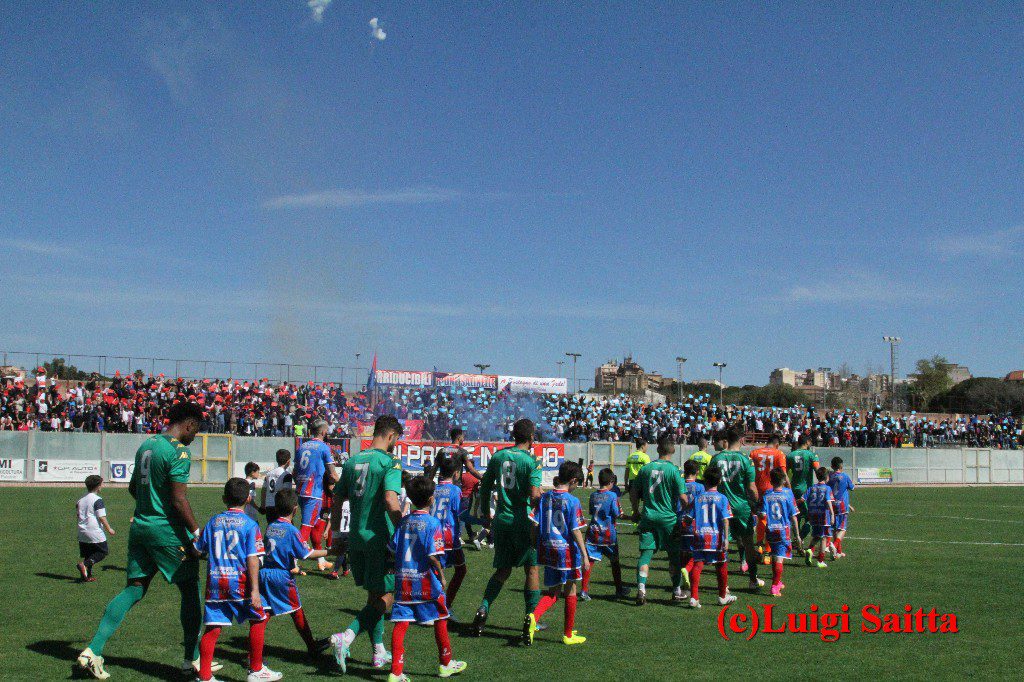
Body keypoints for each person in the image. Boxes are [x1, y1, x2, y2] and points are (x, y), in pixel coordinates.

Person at [78, 402, 211, 681]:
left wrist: (151, 509)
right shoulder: (179, 450)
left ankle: (93, 650)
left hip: (140, 527)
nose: (195, 436)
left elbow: (132, 488)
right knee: (190, 589)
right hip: (167, 532)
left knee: (134, 589)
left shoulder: (146, 445)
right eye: (196, 430)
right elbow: (178, 498)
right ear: (188, 424)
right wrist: (197, 533)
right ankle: (192, 660)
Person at [330, 415, 404, 673]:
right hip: (380, 538)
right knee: (389, 595)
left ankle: (378, 651)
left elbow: (337, 499)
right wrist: (404, 529)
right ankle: (347, 636)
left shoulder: (352, 461)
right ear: (392, 435)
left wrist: (339, 535)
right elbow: (390, 499)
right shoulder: (389, 461)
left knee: (374, 594)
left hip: (356, 538)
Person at [194, 478, 279, 682]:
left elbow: (198, 550)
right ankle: (256, 670)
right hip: (239, 582)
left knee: (213, 626)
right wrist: (255, 591)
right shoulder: (250, 525)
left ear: (224, 498)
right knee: (259, 618)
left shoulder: (213, 521)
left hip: (215, 581)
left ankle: (204, 677)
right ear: (249, 499)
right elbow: (252, 558)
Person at [469, 418, 543, 642]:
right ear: (531, 438)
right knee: (531, 569)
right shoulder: (532, 460)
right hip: (522, 522)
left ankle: (483, 608)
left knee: (503, 570)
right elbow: (535, 494)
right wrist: (538, 511)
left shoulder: (498, 456)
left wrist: (486, 516)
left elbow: (485, 488)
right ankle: (531, 618)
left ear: (513, 436)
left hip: (501, 520)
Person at [388, 475, 468, 682]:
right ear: (431, 499)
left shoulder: (404, 521)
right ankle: (445, 663)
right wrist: (441, 576)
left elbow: (392, 549)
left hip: (404, 580)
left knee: (401, 623)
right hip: (426, 581)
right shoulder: (433, 523)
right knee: (441, 616)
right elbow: (433, 555)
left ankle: (395, 672)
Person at [260, 490, 331, 660]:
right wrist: (330, 551)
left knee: (265, 612)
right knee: (296, 610)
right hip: (281, 577)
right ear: (295, 509)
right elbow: (305, 554)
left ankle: (254, 649)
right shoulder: (291, 530)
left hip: (265, 574)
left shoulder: (271, 527)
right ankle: (312, 646)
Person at [525, 461, 589, 646]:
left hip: (548, 549)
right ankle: (568, 634)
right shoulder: (572, 500)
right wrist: (584, 555)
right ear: (574, 480)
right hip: (566, 552)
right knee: (571, 589)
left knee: (553, 592)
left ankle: (533, 616)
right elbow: (576, 530)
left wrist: (534, 543)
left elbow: (534, 523)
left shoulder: (545, 498)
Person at [630, 434, 686, 606]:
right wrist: (687, 512)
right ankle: (676, 590)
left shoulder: (646, 469)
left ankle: (641, 589)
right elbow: (683, 498)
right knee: (673, 556)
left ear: (657, 449)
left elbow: (633, 492)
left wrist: (635, 510)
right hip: (668, 520)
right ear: (673, 450)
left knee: (645, 555)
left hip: (648, 517)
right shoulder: (674, 470)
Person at [708, 429, 764, 591]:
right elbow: (752, 488)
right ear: (740, 440)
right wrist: (758, 503)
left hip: (720, 507)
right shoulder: (746, 460)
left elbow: (710, 482)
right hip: (741, 507)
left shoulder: (716, 458)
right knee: (748, 544)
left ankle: (723, 586)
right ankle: (752, 580)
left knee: (721, 544)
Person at [686, 466, 735, 609]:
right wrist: (726, 539)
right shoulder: (722, 498)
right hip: (716, 537)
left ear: (705, 481)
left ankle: (694, 598)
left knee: (698, 564)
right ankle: (722, 596)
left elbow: (689, 518)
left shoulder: (698, 498)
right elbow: (726, 520)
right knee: (721, 564)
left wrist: (686, 524)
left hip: (700, 535)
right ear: (719, 481)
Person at [293, 420, 339, 570]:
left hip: (301, 491)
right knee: (306, 527)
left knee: (317, 524)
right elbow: (332, 474)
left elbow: (295, 472)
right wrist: (343, 485)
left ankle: (321, 561)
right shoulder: (323, 448)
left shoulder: (302, 446)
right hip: (314, 493)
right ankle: (292, 562)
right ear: (324, 432)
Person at [582, 468, 628, 600]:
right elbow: (617, 513)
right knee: (615, 561)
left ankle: (584, 590)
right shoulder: (612, 496)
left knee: (589, 562)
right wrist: (631, 517)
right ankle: (619, 589)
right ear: (611, 481)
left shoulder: (593, 495)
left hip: (593, 532)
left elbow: (591, 512)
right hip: (608, 534)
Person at [431, 459, 468, 615]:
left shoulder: (433, 489)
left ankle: (434, 606)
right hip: (448, 538)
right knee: (460, 570)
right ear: (456, 473)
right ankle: (444, 606)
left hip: (432, 535)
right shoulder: (455, 490)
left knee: (435, 572)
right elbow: (460, 512)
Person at [759, 468, 802, 597]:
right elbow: (794, 516)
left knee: (775, 554)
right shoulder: (788, 494)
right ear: (784, 480)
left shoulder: (767, 494)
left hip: (771, 530)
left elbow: (762, 514)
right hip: (783, 530)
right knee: (779, 557)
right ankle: (774, 587)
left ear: (771, 481)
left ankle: (777, 582)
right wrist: (798, 535)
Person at [750, 434, 787, 557]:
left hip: (756, 488)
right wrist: (789, 489)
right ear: (777, 444)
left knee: (761, 518)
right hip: (772, 489)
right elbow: (783, 474)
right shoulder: (779, 453)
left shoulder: (754, 452)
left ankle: (759, 545)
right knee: (772, 519)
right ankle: (768, 549)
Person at [76, 474, 115, 582]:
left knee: (89, 554)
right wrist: (109, 529)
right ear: (97, 486)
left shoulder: (80, 500)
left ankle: (86, 576)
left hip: (82, 531)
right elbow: (101, 517)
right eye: (101, 484)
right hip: (94, 531)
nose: (102, 486)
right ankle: (85, 565)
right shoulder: (97, 500)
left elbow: (78, 516)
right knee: (102, 552)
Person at [677, 459, 705, 593]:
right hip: (694, 523)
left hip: (680, 521)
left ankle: (683, 581)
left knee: (683, 552)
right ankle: (687, 570)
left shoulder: (680, 484)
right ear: (697, 472)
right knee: (697, 552)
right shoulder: (700, 487)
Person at [786, 434, 820, 541]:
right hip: (806, 490)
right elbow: (818, 471)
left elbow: (784, 473)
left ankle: (795, 537)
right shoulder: (812, 455)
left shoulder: (790, 455)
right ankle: (799, 539)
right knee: (810, 518)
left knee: (796, 515)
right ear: (806, 442)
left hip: (793, 489)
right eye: (810, 442)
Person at [803, 468, 834, 568]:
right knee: (824, 538)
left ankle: (809, 549)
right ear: (827, 477)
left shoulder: (811, 488)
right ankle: (820, 561)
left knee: (817, 535)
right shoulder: (827, 488)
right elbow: (828, 501)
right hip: (823, 515)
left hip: (813, 514)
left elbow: (803, 499)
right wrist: (832, 514)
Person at [827, 457, 855, 558]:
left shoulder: (829, 476)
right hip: (842, 505)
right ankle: (834, 546)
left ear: (831, 466)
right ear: (841, 466)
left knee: (835, 529)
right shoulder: (845, 476)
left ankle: (838, 552)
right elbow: (852, 488)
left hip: (832, 504)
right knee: (842, 529)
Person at [261, 449, 293, 523]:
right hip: (280, 507)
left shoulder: (269, 474)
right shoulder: (286, 475)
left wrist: (263, 505)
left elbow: (264, 490)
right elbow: (286, 493)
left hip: (269, 506)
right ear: (288, 461)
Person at [623, 438, 650, 515]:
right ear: (642, 446)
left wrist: (626, 483)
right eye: (646, 446)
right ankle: (645, 515)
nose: (647, 448)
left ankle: (635, 514)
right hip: (642, 481)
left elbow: (627, 471)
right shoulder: (645, 457)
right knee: (646, 500)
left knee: (634, 501)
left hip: (632, 482)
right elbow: (647, 471)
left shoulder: (630, 456)